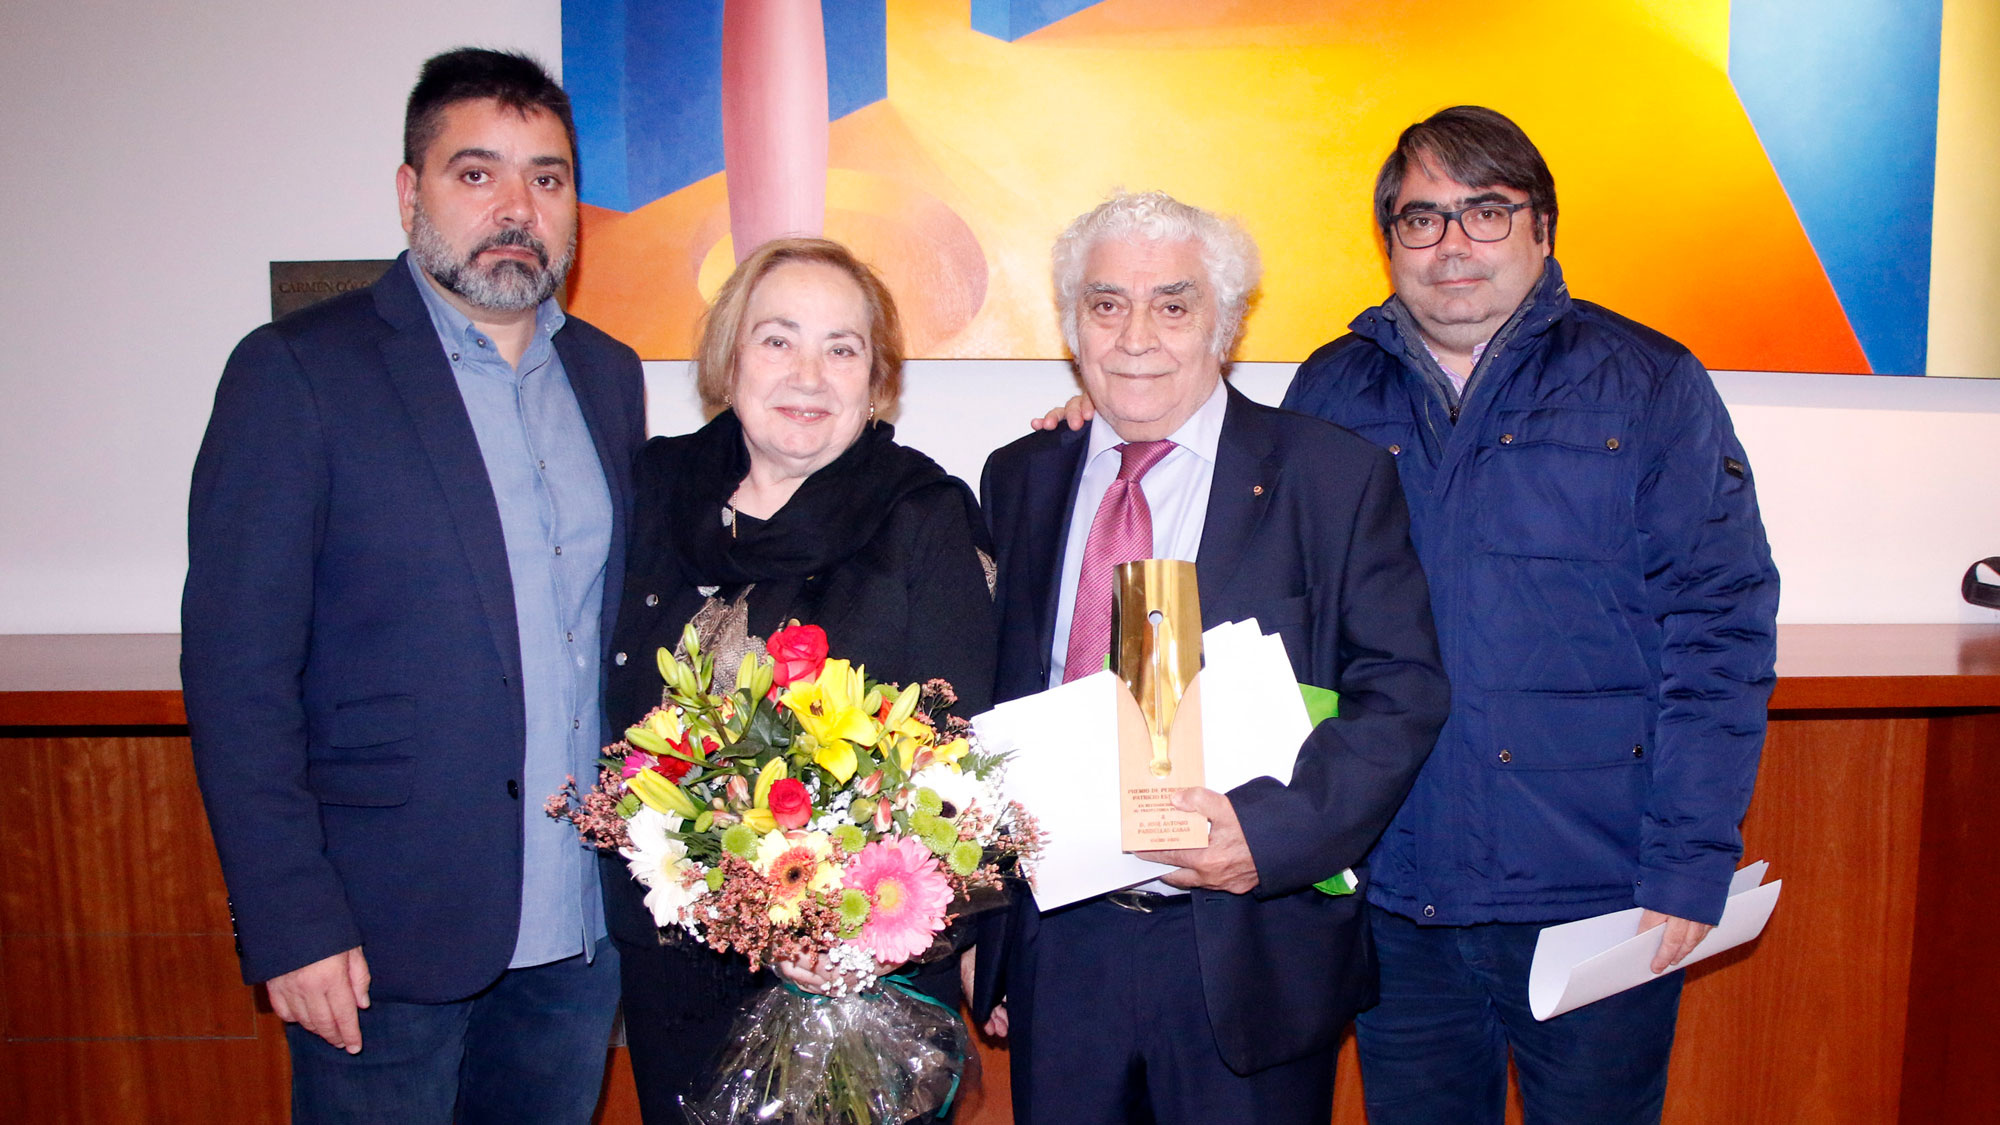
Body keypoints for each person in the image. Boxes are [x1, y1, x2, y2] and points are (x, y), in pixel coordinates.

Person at [1284, 106, 1780, 1122]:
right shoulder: (1327, 392)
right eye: (1421, 219)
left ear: (1541, 230)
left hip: (1600, 893)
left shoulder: (1647, 384)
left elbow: (1717, 628)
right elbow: (1277, 614)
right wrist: (1098, 429)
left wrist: (1689, 862)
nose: (1452, 244)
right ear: (1388, 243)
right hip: (1394, 895)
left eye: (1484, 211)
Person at [182, 48, 644, 1122]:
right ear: (410, 192)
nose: (517, 207)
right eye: (475, 174)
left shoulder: (607, 376)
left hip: (577, 936)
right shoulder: (298, 370)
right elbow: (236, 674)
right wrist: (291, 921)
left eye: (548, 177)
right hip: (378, 937)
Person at [974, 191, 1450, 1124]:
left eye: (1174, 304)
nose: (1136, 334)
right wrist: (989, 935)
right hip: (1059, 954)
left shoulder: (1334, 477)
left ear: (1224, 325)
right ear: (1075, 325)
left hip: (1244, 947)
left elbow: (1403, 695)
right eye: (1107, 303)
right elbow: (994, 701)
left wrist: (1267, 838)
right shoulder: (1020, 476)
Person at [601, 237, 998, 1121]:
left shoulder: (925, 516)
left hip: (852, 985)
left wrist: (831, 927)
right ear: (729, 357)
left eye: (842, 347)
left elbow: (965, 768)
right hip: (676, 970)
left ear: (876, 378)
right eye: (778, 339)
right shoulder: (651, 491)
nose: (808, 374)